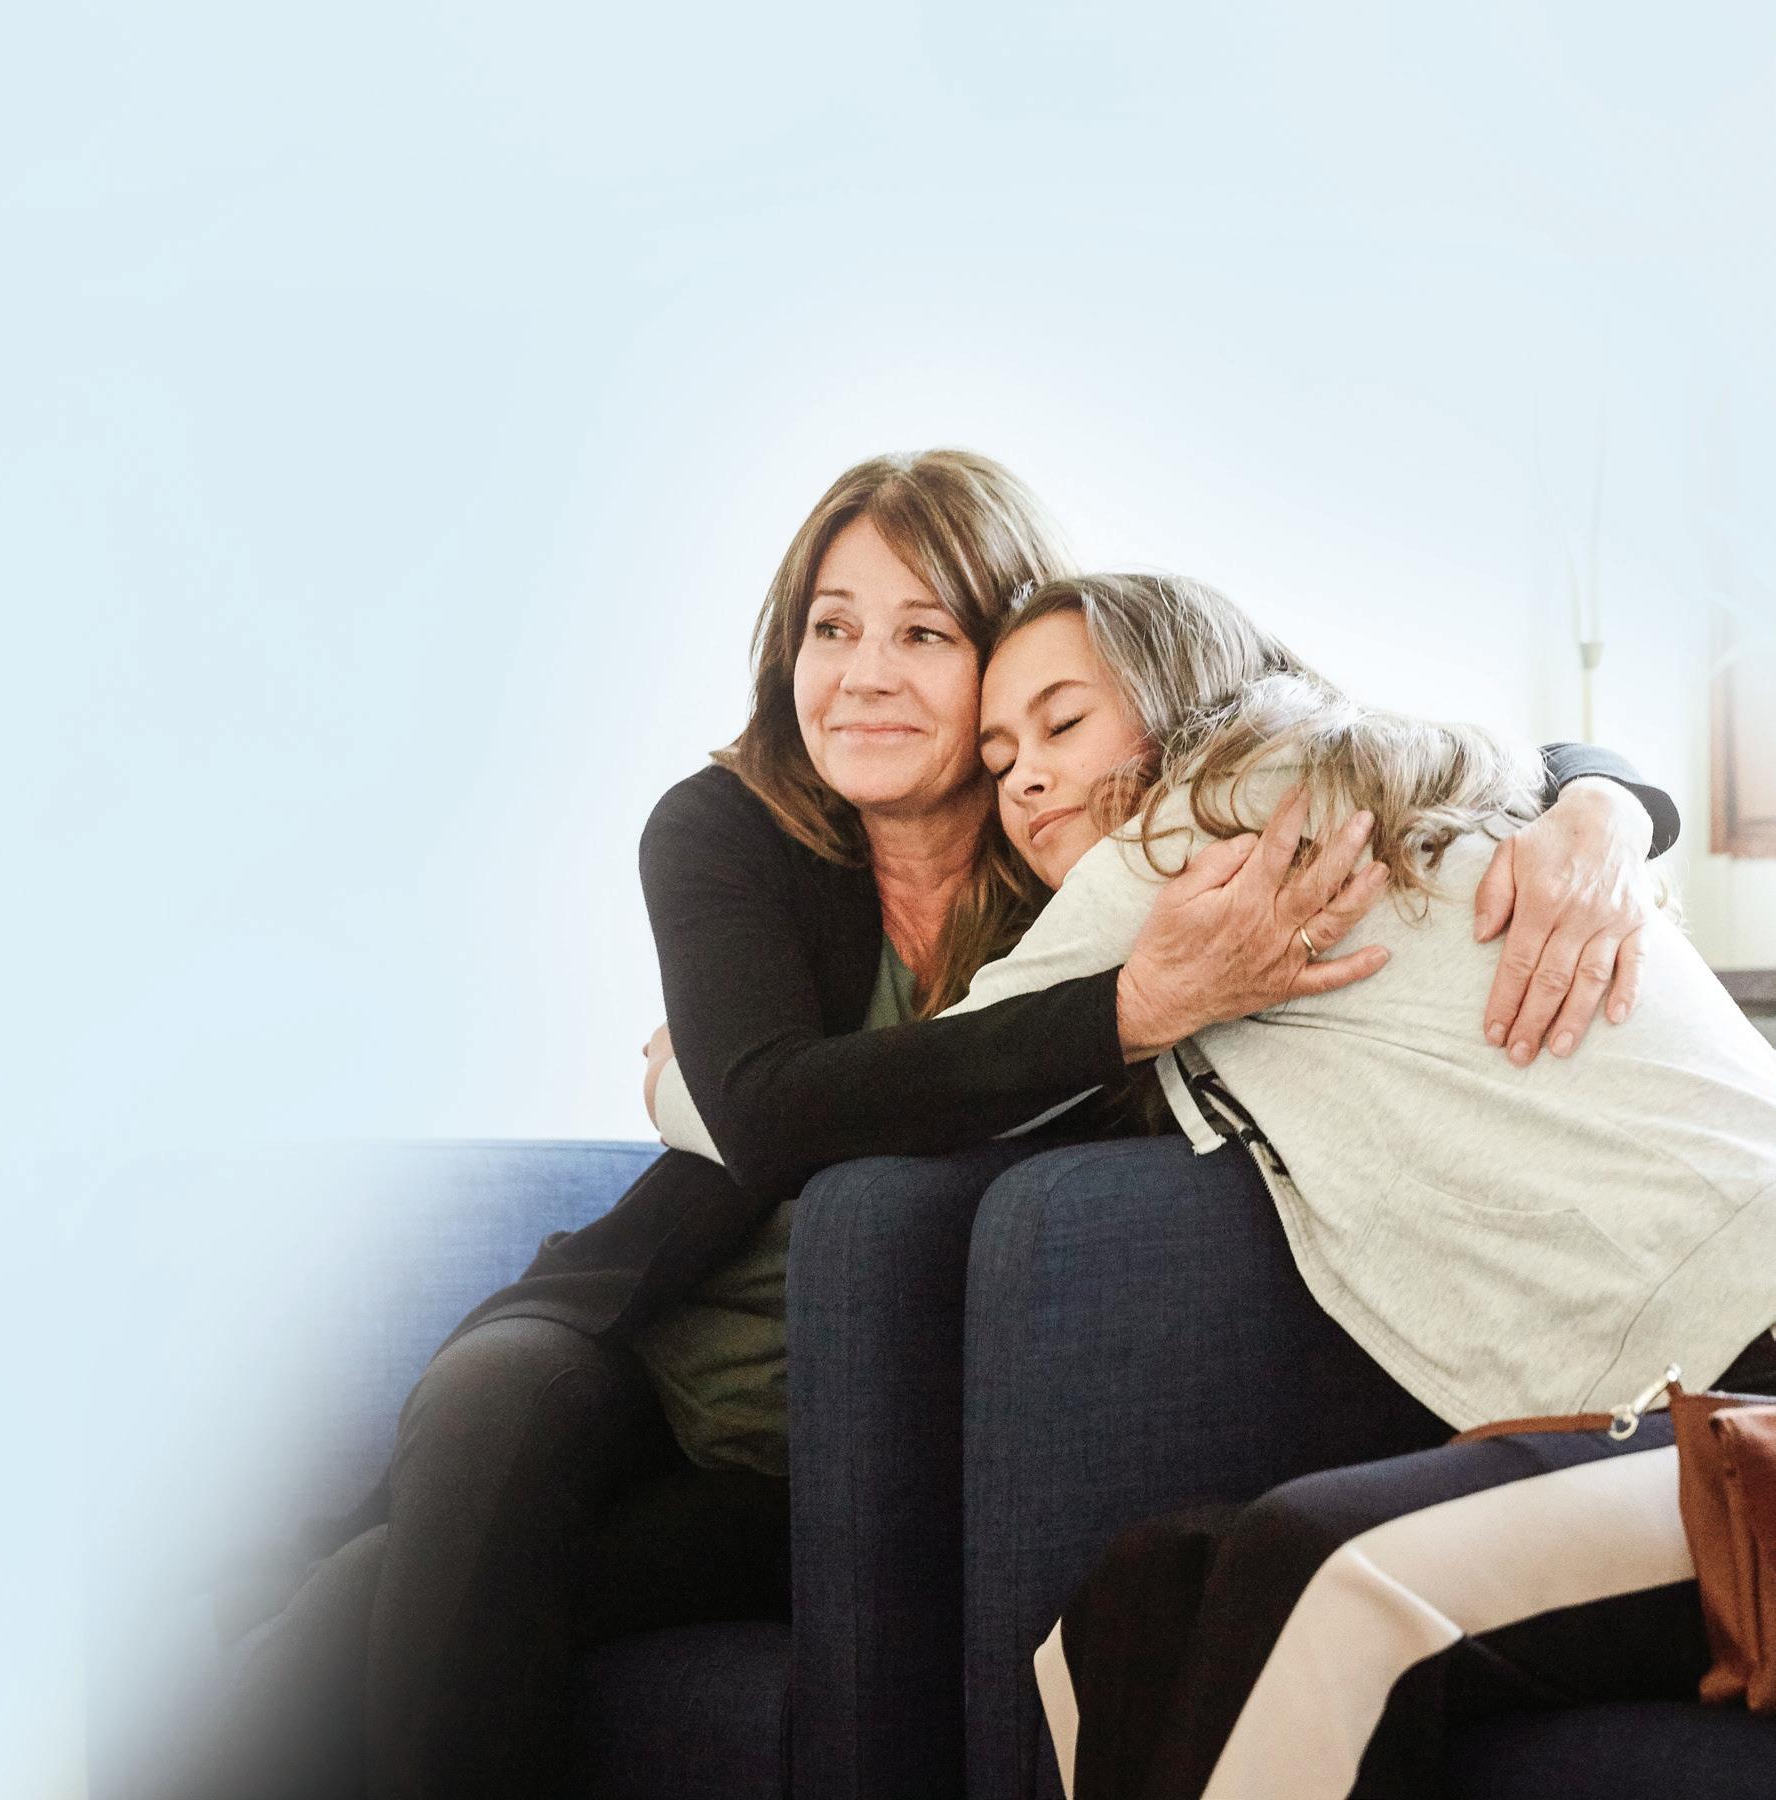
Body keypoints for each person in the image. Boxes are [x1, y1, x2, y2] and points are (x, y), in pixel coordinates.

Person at [160, 454, 1673, 1800]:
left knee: (414, 1593)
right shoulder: (725, 831)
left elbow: (1370, 734)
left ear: (1011, 656)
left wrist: (1605, 803)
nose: (864, 675)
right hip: (641, 1338)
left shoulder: (1103, 847)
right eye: (831, 629)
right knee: (488, 1422)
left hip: (823, 1436)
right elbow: (771, 1115)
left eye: (924, 634)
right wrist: (1124, 1013)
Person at [946, 570, 1776, 1800]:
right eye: (999, 758)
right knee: (1151, 1588)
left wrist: (674, 1071)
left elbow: (907, 1079)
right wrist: (1607, 791)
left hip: (1746, 1410)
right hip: (1669, 1414)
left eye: (1063, 723)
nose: (1023, 778)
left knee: (1327, 1569)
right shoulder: (1410, 789)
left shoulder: (1198, 828)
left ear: (1178, 700)